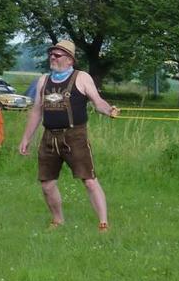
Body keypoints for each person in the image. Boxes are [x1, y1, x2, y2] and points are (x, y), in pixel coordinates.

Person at [19, 40, 120, 231]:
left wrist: (109, 110)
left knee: (89, 181)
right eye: (51, 54)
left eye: (57, 55)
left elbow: (98, 102)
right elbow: (36, 111)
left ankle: (103, 223)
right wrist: (26, 138)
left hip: (75, 136)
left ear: (70, 60)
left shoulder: (81, 77)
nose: (52, 57)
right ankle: (57, 220)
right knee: (47, 184)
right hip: (49, 137)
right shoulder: (43, 80)